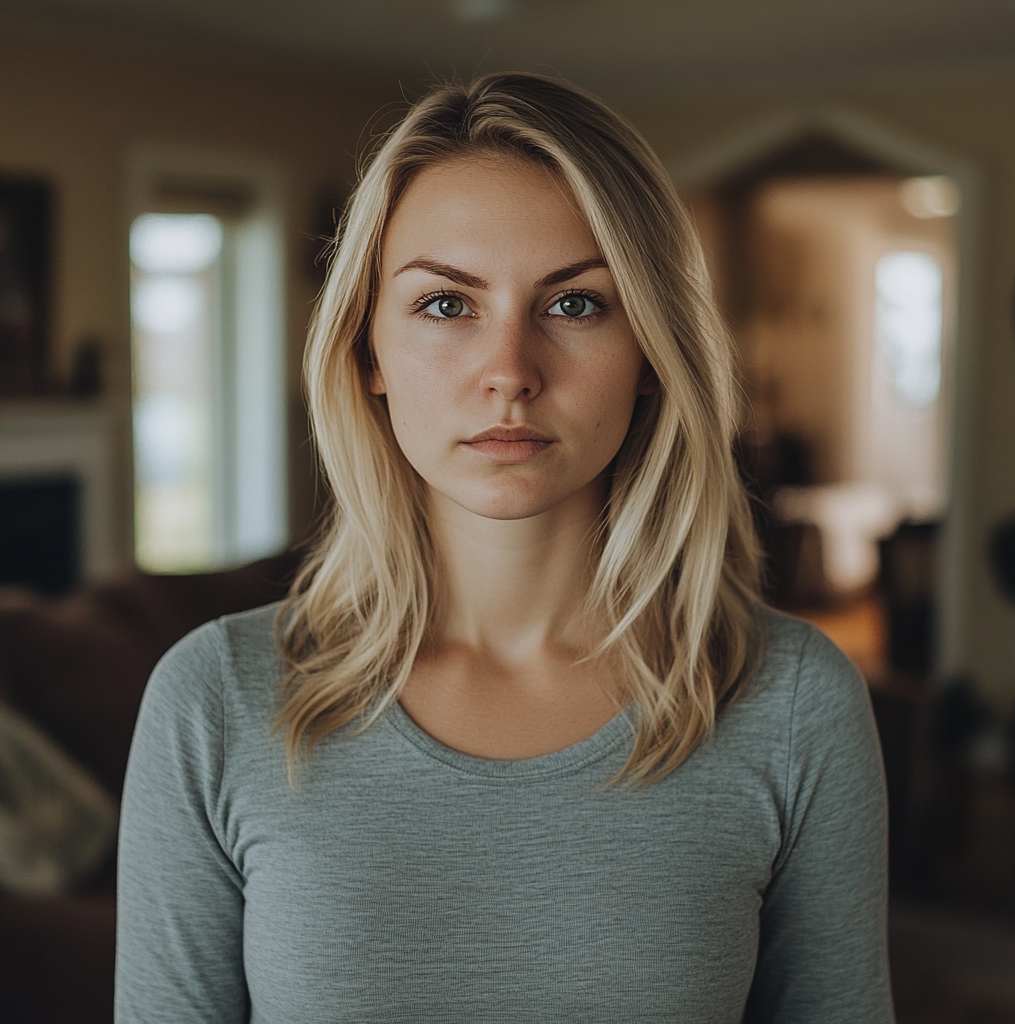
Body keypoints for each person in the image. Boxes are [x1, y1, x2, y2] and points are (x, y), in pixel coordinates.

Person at [115, 73, 893, 1023]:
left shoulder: (795, 701)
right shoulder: (213, 704)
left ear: (652, 349)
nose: (509, 374)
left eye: (575, 306)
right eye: (447, 305)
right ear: (368, 352)